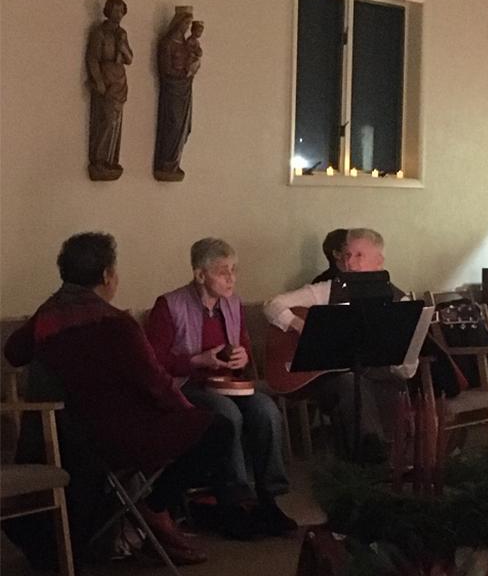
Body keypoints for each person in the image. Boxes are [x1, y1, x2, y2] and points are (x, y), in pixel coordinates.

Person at [4, 233, 258, 567]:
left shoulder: (48, 317)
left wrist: (47, 309)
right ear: (108, 276)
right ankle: (154, 507)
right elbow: (154, 384)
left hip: (60, 435)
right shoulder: (116, 324)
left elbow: (13, 352)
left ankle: (148, 514)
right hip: (116, 435)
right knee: (218, 427)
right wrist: (186, 412)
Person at [146, 238, 297, 536]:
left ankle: (269, 497)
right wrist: (198, 360)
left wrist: (243, 354)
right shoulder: (169, 305)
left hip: (228, 384)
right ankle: (234, 501)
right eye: (222, 271)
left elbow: (242, 348)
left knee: (266, 409)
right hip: (187, 385)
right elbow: (155, 362)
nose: (231, 278)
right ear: (200, 275)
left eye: (234, 270)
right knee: (228, 414)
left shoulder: (232, 303)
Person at [264, 228, 416, 461]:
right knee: (349, 383)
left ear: (379, 261)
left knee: (388, 385)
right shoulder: (327, 290)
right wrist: (297, 323)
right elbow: (273, 305)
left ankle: (383, 457)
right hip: (334, 381)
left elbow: (406, 369)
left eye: (358, 255)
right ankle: (371, 457)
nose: (350, 262)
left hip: (380, 377)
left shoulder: (401, 301)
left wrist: (403, 360)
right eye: (346, 255)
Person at [86, 0, 133, 181]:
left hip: (119, 80)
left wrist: (122, 46)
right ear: (108, 11)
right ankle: (99, 159)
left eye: (121, 11)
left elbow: (129, 59)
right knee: (106, 119)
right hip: (106, 79)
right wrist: (98, 80)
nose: (118, 14)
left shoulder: (122, 34)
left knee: (116, 122)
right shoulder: (100, 33)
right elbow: (92, 58)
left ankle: (111, 158)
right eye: (115, 10)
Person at [154, 7, 199, 181]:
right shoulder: (167, 44)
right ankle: (166, 162)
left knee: (183, 127)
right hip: (173, 88)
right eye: (185, 23)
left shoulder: (186, 44)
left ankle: (174, 162)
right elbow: (165, 69)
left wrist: (193, 64)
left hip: (185, 88)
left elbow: (192, 59)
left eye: (189, 24)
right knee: (173, 123)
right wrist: (182, 74)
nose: (187, 28)